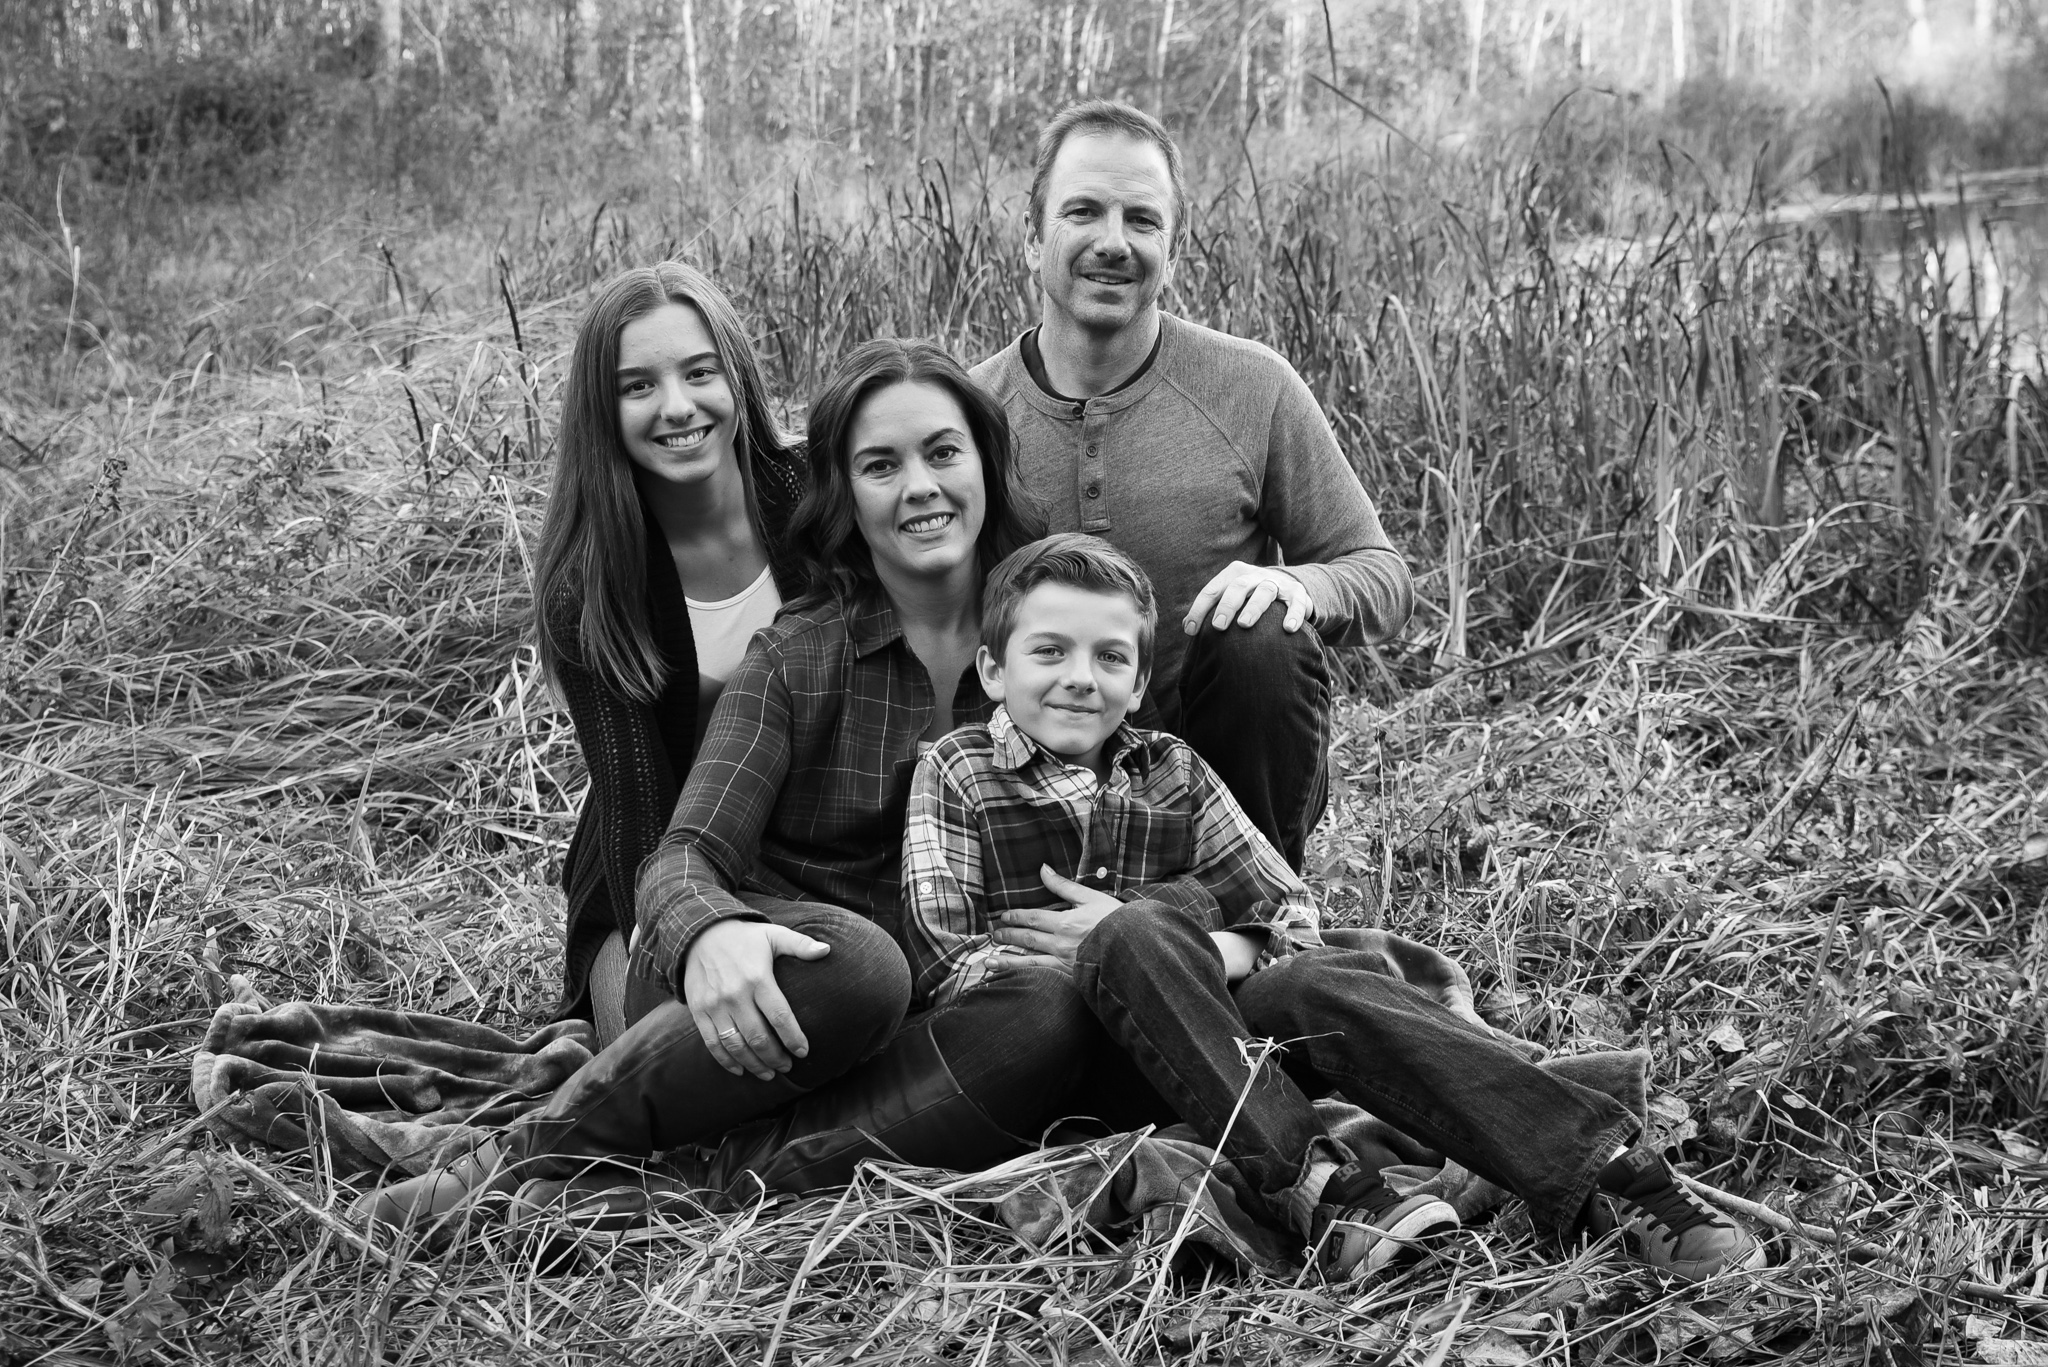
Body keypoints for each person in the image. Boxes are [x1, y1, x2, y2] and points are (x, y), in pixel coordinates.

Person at [358, 339, 1144, 1236]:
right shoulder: (797, 656)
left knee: (1053, 1011)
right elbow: (681, 855)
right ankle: (515, 1158)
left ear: (987, 468)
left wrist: (1130, 920)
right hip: (768, 994)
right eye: (881, 465)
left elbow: (1175, 813)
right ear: (845, 496)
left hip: (941, 1009)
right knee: (863, 968)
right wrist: (710, 929)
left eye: (942, 452)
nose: (920, 486)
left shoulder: (1063, 654)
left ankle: (710, 1182)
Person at [901, 534, 1766, 1283]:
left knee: (1312, 979)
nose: (1079, 678)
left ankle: (1609, 1172)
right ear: (993, 669)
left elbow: (1289, 913)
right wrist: (1111, 953)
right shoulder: (959, 771)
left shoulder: (1172, 769)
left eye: (1110, 658)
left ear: (1136, 685)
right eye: (1049, 652)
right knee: (1131, 934)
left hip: (1220, 1044)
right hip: (1079, 1070)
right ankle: (1321, 1187)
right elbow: (948, 961)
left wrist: (1202, 949)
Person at [970, 99, 1414, 873]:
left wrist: (1297, 586)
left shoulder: (1253, 386)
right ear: (1033, 235)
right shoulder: (971, 413)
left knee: (1263, 632)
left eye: (1143, 220)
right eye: (1083, 211)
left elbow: (1382, 576)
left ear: (1173, 252)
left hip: (1219, 785)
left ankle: (1260, 905)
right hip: (1030, 792)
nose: (1114, 242)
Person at [531, 262, 807, 1045]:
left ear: (737, 376)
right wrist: (684, 945)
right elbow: (636, 809)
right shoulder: (591, 584)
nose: (678, 406)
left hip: (809, 848)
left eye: (699, 372)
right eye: (638, 386)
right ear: (603, 408)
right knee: (675, 1043)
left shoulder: (811, 493)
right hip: (653, 861)